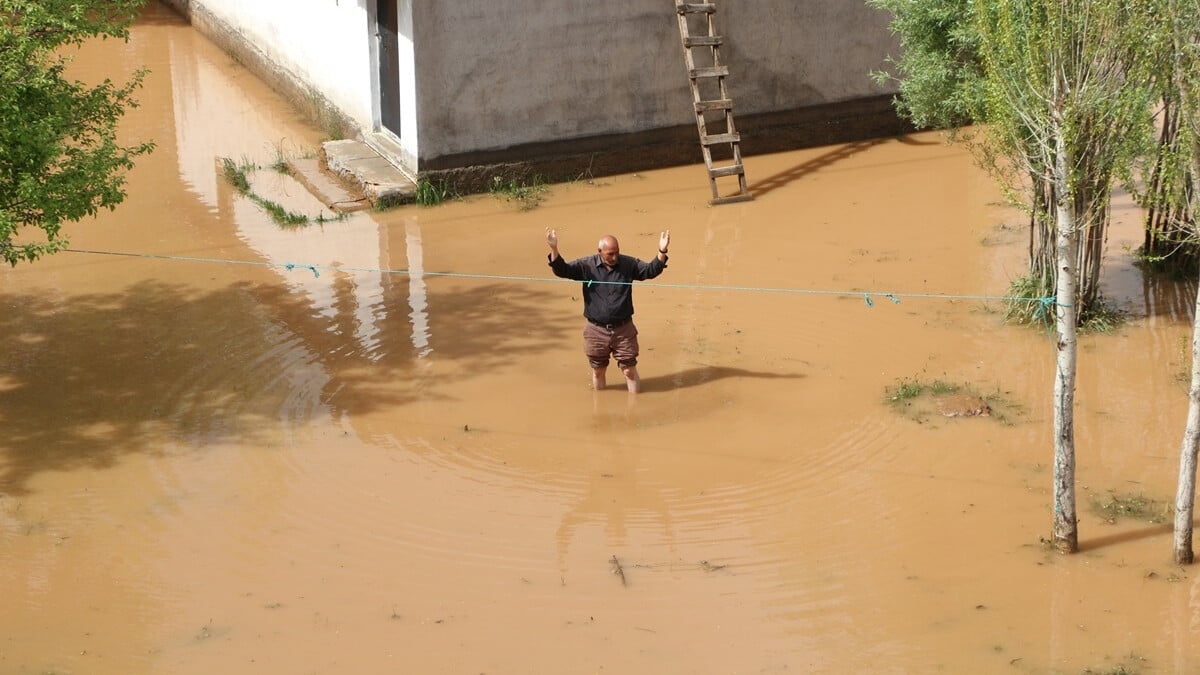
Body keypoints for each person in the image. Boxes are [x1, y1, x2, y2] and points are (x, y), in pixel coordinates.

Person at [546, 227, 671, 393]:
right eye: (610, 254)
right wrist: (554, 248)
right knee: (598, 371)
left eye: (616, 252)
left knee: (629, 370)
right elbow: (563, 270)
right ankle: (599, 406)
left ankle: (634, 409)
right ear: (600, 251)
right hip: (595, 330)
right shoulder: (586, 265)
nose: (614, 257)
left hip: (624, 330)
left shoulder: (628, 264)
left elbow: (649, 270)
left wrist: (662, 251)